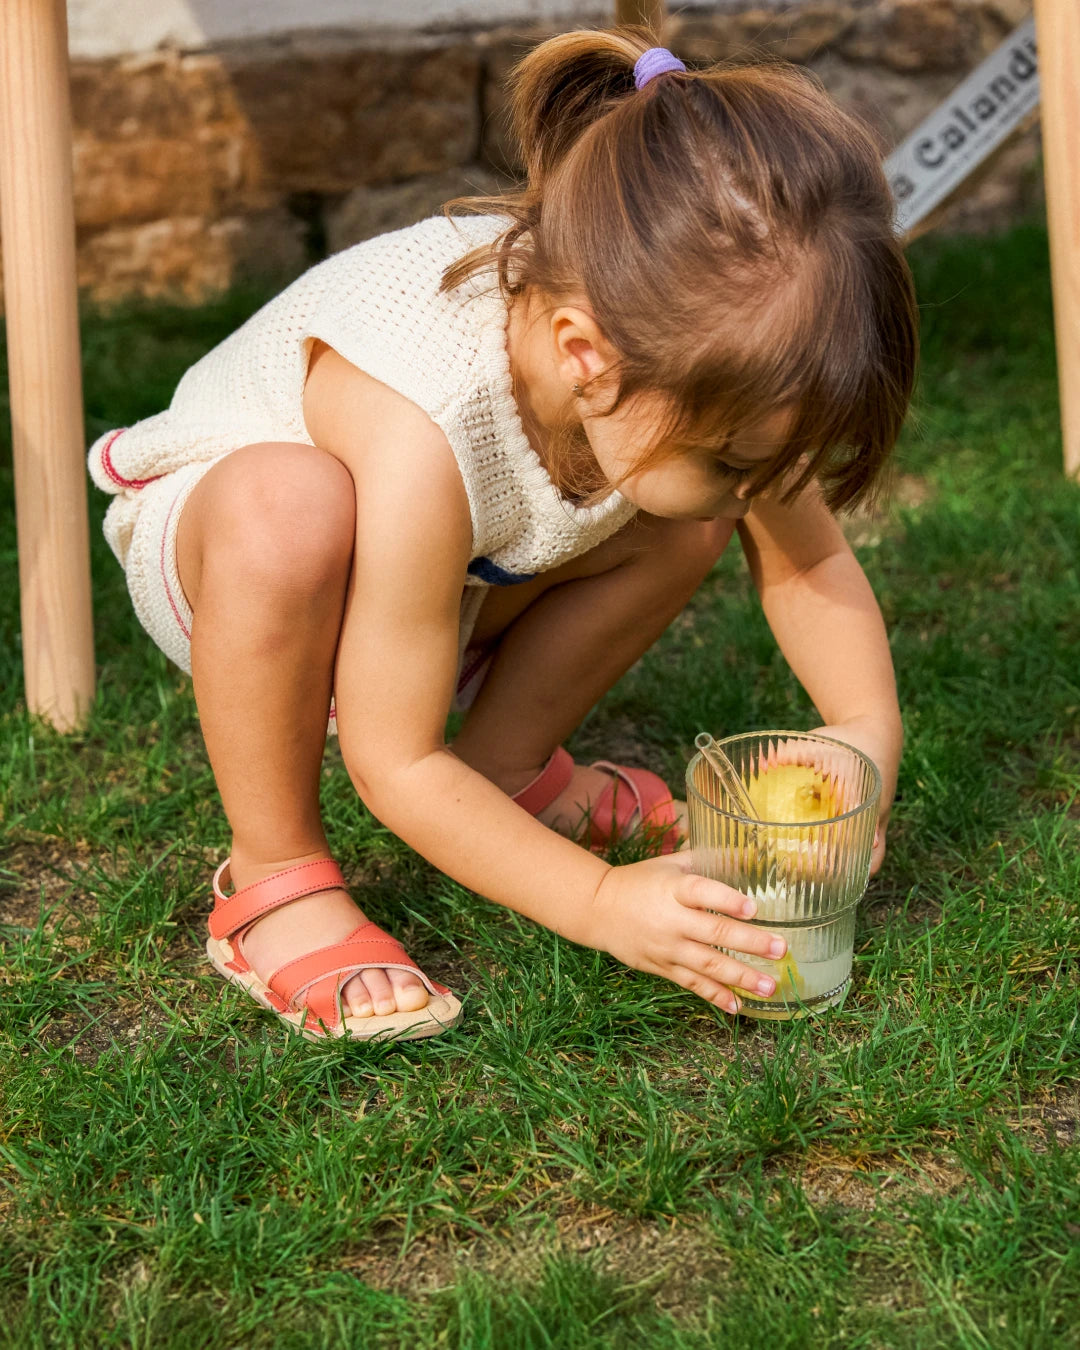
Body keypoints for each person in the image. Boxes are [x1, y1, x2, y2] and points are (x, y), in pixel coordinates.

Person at [88, 31, 917, 1042]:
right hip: (240, 574)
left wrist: (862, 732)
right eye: (738, 460)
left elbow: (814, 554)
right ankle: (276, 873)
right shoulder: (425, 409)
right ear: (586, 356)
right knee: (290, 504)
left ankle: (509, 771)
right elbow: (394, 762)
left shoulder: (670, 354)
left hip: (448, 577)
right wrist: (603, 906)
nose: (753, 490)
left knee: (689, 518)